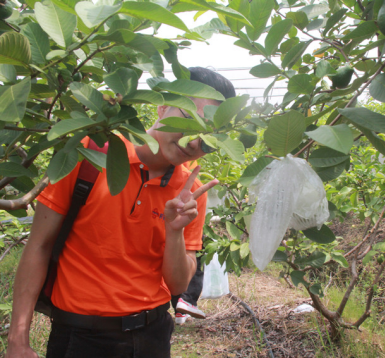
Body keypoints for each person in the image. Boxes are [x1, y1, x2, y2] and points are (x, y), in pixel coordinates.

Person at [6, 67, 236, 358]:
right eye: (188, 120)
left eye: (207, 138)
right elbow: (38, 246)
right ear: (163, 106)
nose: (193, 143)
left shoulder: (190, 193)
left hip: (151, 336)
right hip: (79, 336)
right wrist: (18, 340)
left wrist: (174, 230)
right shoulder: (89, 154)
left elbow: (178, 284)